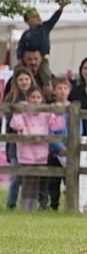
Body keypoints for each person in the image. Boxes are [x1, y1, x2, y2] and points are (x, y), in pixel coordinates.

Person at [9, 85, 64, 211]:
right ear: (27, 99)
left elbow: (57, 126)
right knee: (28, 180)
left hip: (41, 153)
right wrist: (18, 111)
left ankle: (32, 206)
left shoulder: (46, 114)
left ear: (42, 99)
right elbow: (16, 125)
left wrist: (59, 114)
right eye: (32, 97)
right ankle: (25, 207)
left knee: (36, 180)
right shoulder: (24, 113)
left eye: (38, 97)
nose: (35, 99)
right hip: (26, 153)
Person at [4, 66, 36, 209]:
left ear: (31, 80)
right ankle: (11, 203)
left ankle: (30, 205)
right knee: (17, 174)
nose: (24, 82)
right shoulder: (11, 99)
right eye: (21, 79)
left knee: (31, 176)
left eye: (26, 79)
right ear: (16, 82)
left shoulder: (36, 96)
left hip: (33, 143)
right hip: (16, 143)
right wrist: (20, 110)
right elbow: (10, 120)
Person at [40, 76, 72, 210]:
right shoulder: (51, 108)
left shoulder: (73, 108)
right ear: (54, 90)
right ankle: (54, 205)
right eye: (59, 88)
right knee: (54, 180)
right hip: (54, 150)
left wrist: (71, 145)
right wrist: (58, 147)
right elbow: (49, 129)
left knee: (70, 178)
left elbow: (78, 127)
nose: (62, 91)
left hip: (69, 149)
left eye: (65, 88)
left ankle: (71, 205)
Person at [17, 2, 67, 86]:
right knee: (19, 72)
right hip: (28, 60)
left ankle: (48, 87)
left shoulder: (45, 27)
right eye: (34, 17)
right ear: (27, 21)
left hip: (43, 57)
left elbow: (53, 19)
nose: (38, 18)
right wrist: (19, 58)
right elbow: (20, 46)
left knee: (46, 74)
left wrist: (60, 9)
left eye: (38, 16)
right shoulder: (26, 34)